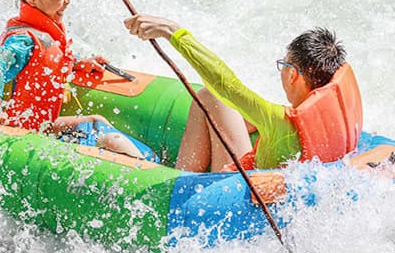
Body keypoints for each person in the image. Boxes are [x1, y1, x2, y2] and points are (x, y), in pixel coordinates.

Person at [124, 15, 362, 172]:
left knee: (210, 96)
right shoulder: (330, 116)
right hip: (277, 191)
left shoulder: (278, 121)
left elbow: (226, 85)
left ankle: (180, 181)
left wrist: (173, 32)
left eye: (284, 64)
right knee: (223, 105)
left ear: (293, 75)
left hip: (235, 196)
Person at [0, 0, 154, 159]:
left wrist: (77, 64)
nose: (68, 1)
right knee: (108, 139)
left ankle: (150, 162)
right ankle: (147, 168)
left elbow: (45, 62)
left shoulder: (44, 32)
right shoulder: (23, 40)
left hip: (44, 125)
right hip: (23, 132)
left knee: (95, 121)